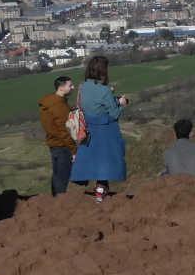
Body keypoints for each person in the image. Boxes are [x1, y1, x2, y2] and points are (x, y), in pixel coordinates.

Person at [70, 55, 128, 203]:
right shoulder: (105, 91)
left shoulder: (83, 87)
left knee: (93, 161)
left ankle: (97, 191)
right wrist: (120, 103)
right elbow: (114, 114)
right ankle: (100, 193)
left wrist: (109, 95)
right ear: (103, 71)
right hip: (105, 129)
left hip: (88, 129)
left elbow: (89, 105)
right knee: (105, 163)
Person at [38, 75, 77, 196]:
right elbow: (64, 130)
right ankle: (59, 204)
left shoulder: (51, 102)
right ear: (61, 87)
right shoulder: (58, 106)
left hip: (54, 143)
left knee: (57, 175)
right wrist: (73, 150)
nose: (73, 87)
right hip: (62, 145)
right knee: (62, 177)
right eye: (70, 85)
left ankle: (55, 201)